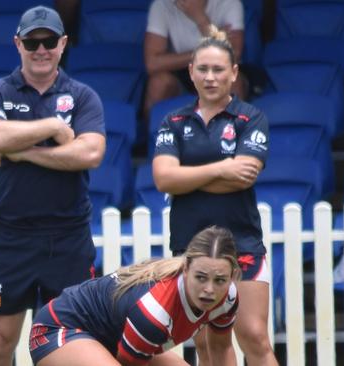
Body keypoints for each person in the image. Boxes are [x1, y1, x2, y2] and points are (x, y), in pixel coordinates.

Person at [0, 5, 106, 365]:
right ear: (18, 44)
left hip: (68, 237)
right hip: (9, 237)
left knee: (68, 344)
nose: (41, 50)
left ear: (63, 43)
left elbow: (90, 152)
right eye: (33, 42)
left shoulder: (82, 96)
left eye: (49, 41)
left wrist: (22, 152)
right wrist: (52, 129)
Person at [151, 26, 277, 366]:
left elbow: (243, 176)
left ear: (234, 73)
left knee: (254, 336)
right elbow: (164, 178)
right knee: (206, 342)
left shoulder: (251, 118)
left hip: (243, 245)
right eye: (202, 69)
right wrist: (222, 168)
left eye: (218, 69)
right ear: (190, 72)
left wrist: (187, 177)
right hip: (189, 249)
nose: (210, 77)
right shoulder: (172, 121)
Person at [29, 225, 240, 366]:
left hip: (116, 338)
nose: (210, 290)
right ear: (185, 270)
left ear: (232, 277)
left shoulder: (227, 299)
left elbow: (222, 349)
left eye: (219, 280)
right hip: (59, 329)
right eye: (201, 278)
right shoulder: (155, 311)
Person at [143, 0, 247, 123]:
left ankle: (229, 136)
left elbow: (233, 55)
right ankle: (153, 137)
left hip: (218, 70)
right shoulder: (162, 5)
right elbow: (152, 63)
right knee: (158, 83)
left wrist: (201, 19)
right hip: (181, 72)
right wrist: (211, 45)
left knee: (232, 82)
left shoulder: (229, 3)